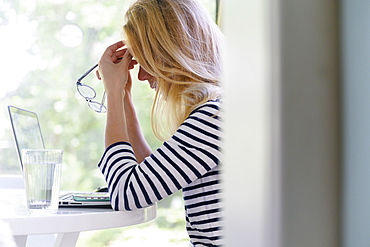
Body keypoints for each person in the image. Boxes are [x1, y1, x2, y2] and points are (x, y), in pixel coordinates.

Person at [96, 0, 223, 246]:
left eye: (146, 60)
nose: (141, 75)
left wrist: (112, 92)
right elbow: (150, 175)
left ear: (170, 54)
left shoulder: (213, 118)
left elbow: (126, 193)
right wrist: (123, 97)